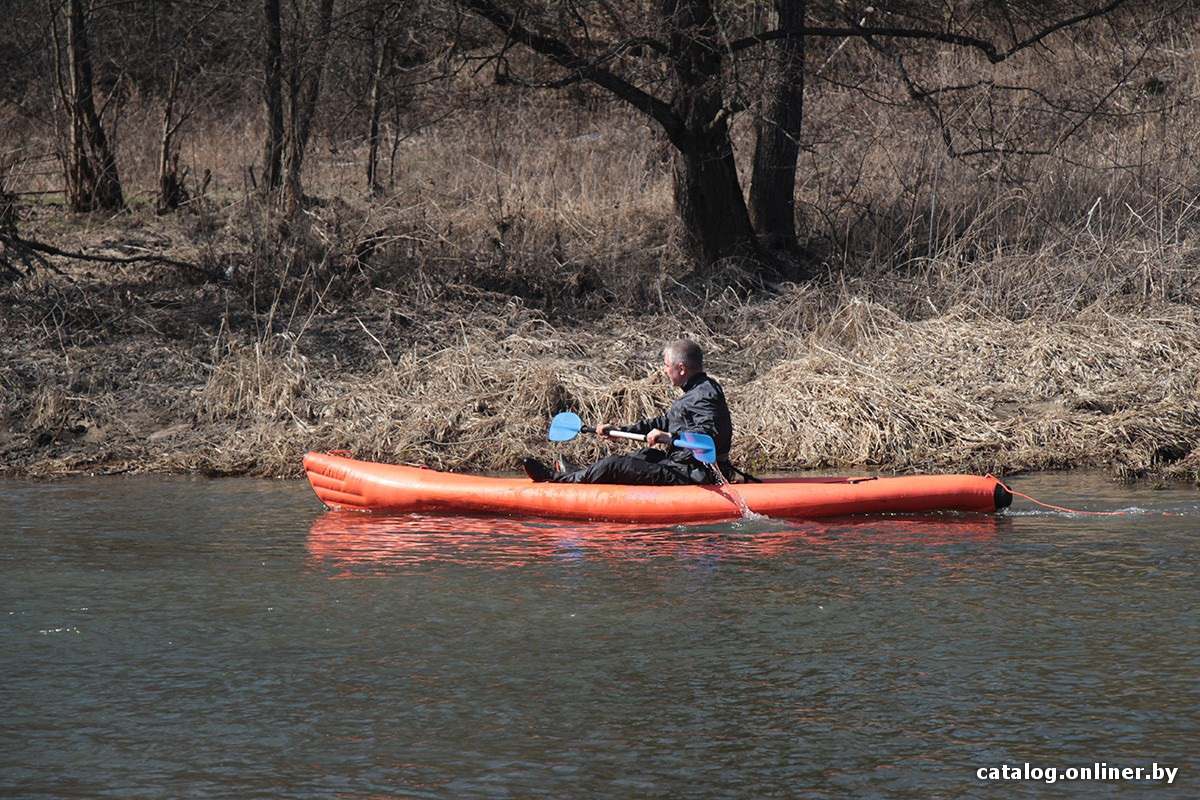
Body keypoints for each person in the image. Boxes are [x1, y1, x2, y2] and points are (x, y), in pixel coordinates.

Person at [522, 338, 732, 484]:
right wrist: (620, 429)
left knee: (616, 465)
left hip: (698, 474)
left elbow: (709, 438)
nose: (664, 370)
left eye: (667, 365)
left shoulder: (705, 394)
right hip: (682, 465)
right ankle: (578, 474)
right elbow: (662, 422)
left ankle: (554, 478)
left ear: (682, 368)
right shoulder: (695, 391)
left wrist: (669, 437)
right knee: (643, 454)